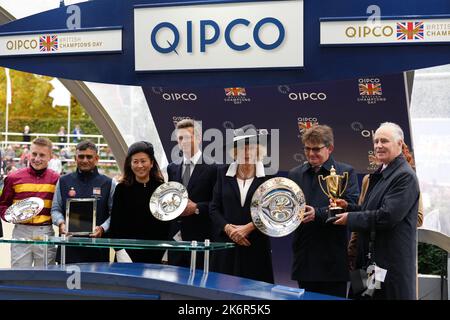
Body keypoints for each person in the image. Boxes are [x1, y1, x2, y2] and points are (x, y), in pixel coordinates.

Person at [334, 122, 420, 300]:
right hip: (370, 264)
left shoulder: (404, 176)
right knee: (365, 297)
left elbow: (386, 217)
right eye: (376, 141)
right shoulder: (381, 172)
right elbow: (370, 209)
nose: (379, 145)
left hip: (387, 266)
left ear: (399, 144)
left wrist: (350, 218)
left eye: (385, 141)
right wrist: (348, 207)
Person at [288, 124, 359, 298]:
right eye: (307, 149)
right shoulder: (295, 174)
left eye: (316, 149)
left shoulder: (345, 173)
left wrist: (317, 214)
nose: (311, 153)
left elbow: (351, 207)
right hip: (304, 257)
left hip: (332, 259)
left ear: (330, 148)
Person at [209, 124, 275, 283]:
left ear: (258, 151)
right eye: (241, 148)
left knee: (255, 294)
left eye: (251, 148)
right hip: (226, 245)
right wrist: (229, 229)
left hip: (255, 244)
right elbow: (214, 208)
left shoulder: (268, 176)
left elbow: (272, 211)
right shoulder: (222, 173)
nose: (246, 153)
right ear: (235, 152)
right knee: (222, 292)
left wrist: (249, 227)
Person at [347, 142, 423, 271]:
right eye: (376, 142)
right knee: (364, 288)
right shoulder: (369, 179)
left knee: (387, 288)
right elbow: (362, 213)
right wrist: (352, 248)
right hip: (366, 250)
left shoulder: (407, 178)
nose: (379, 146)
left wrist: (390, 215)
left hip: (392, 251)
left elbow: (419, 218)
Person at [51, 140, 116, 263]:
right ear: (75, 158)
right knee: (66, 282)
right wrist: (61, 224)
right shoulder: (63, 181)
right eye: (81, 156)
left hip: (98, 249)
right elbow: (55, 209)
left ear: (96, 158)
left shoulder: (109, 183)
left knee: (95, 282)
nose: (85, 160)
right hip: (69, 247)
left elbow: (115, 214)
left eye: (89, 157)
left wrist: (102, 228)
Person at [0, 138, 59, 267]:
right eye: (34, 154)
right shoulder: (13, 178)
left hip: (45, 231)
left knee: (45, 275)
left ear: (50, 156)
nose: (37, 159)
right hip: (21, 230)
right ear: (29, 154)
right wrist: (9, 216)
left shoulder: (56, 179)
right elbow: (3, 204)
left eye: (42, 155)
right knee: (19, 273)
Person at [166, 119, 217, 268]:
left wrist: (196, 207)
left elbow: (217, 205)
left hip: (201, 239)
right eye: (181, 138)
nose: (184, 141)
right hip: (175, 239)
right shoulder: (172, 168)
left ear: (199, 138)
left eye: (188, 137)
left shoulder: (213, 168)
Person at [109, 141, 170, 263]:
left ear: (151, 163)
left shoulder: (162, 189)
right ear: (130, 164)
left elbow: (166, 225)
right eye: (135, 162)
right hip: (126, 256)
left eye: (143, 161)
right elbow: (115, 224)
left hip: (155, 255)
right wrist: (120, 251)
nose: (140, 165)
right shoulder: (122, 189)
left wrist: (163, 251)